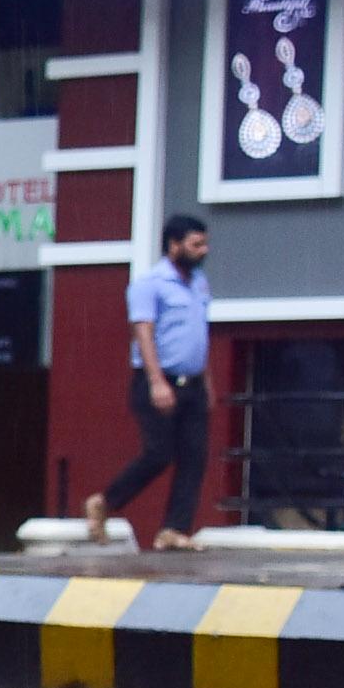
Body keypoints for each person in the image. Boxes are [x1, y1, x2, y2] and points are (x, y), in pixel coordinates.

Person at [84, 213, 214, 551]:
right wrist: (157, 381)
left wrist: (208, 379)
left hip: (194, 383)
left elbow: (199, 334)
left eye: (204, 243)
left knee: (194, 456)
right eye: (196, 244)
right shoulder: (149, 284)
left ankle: (174, 529)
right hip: (159, 380)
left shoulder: (199, 282)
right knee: (159, 452)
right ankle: (105, 502)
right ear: (174, 245)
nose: (204, 250)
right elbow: (144, 333)